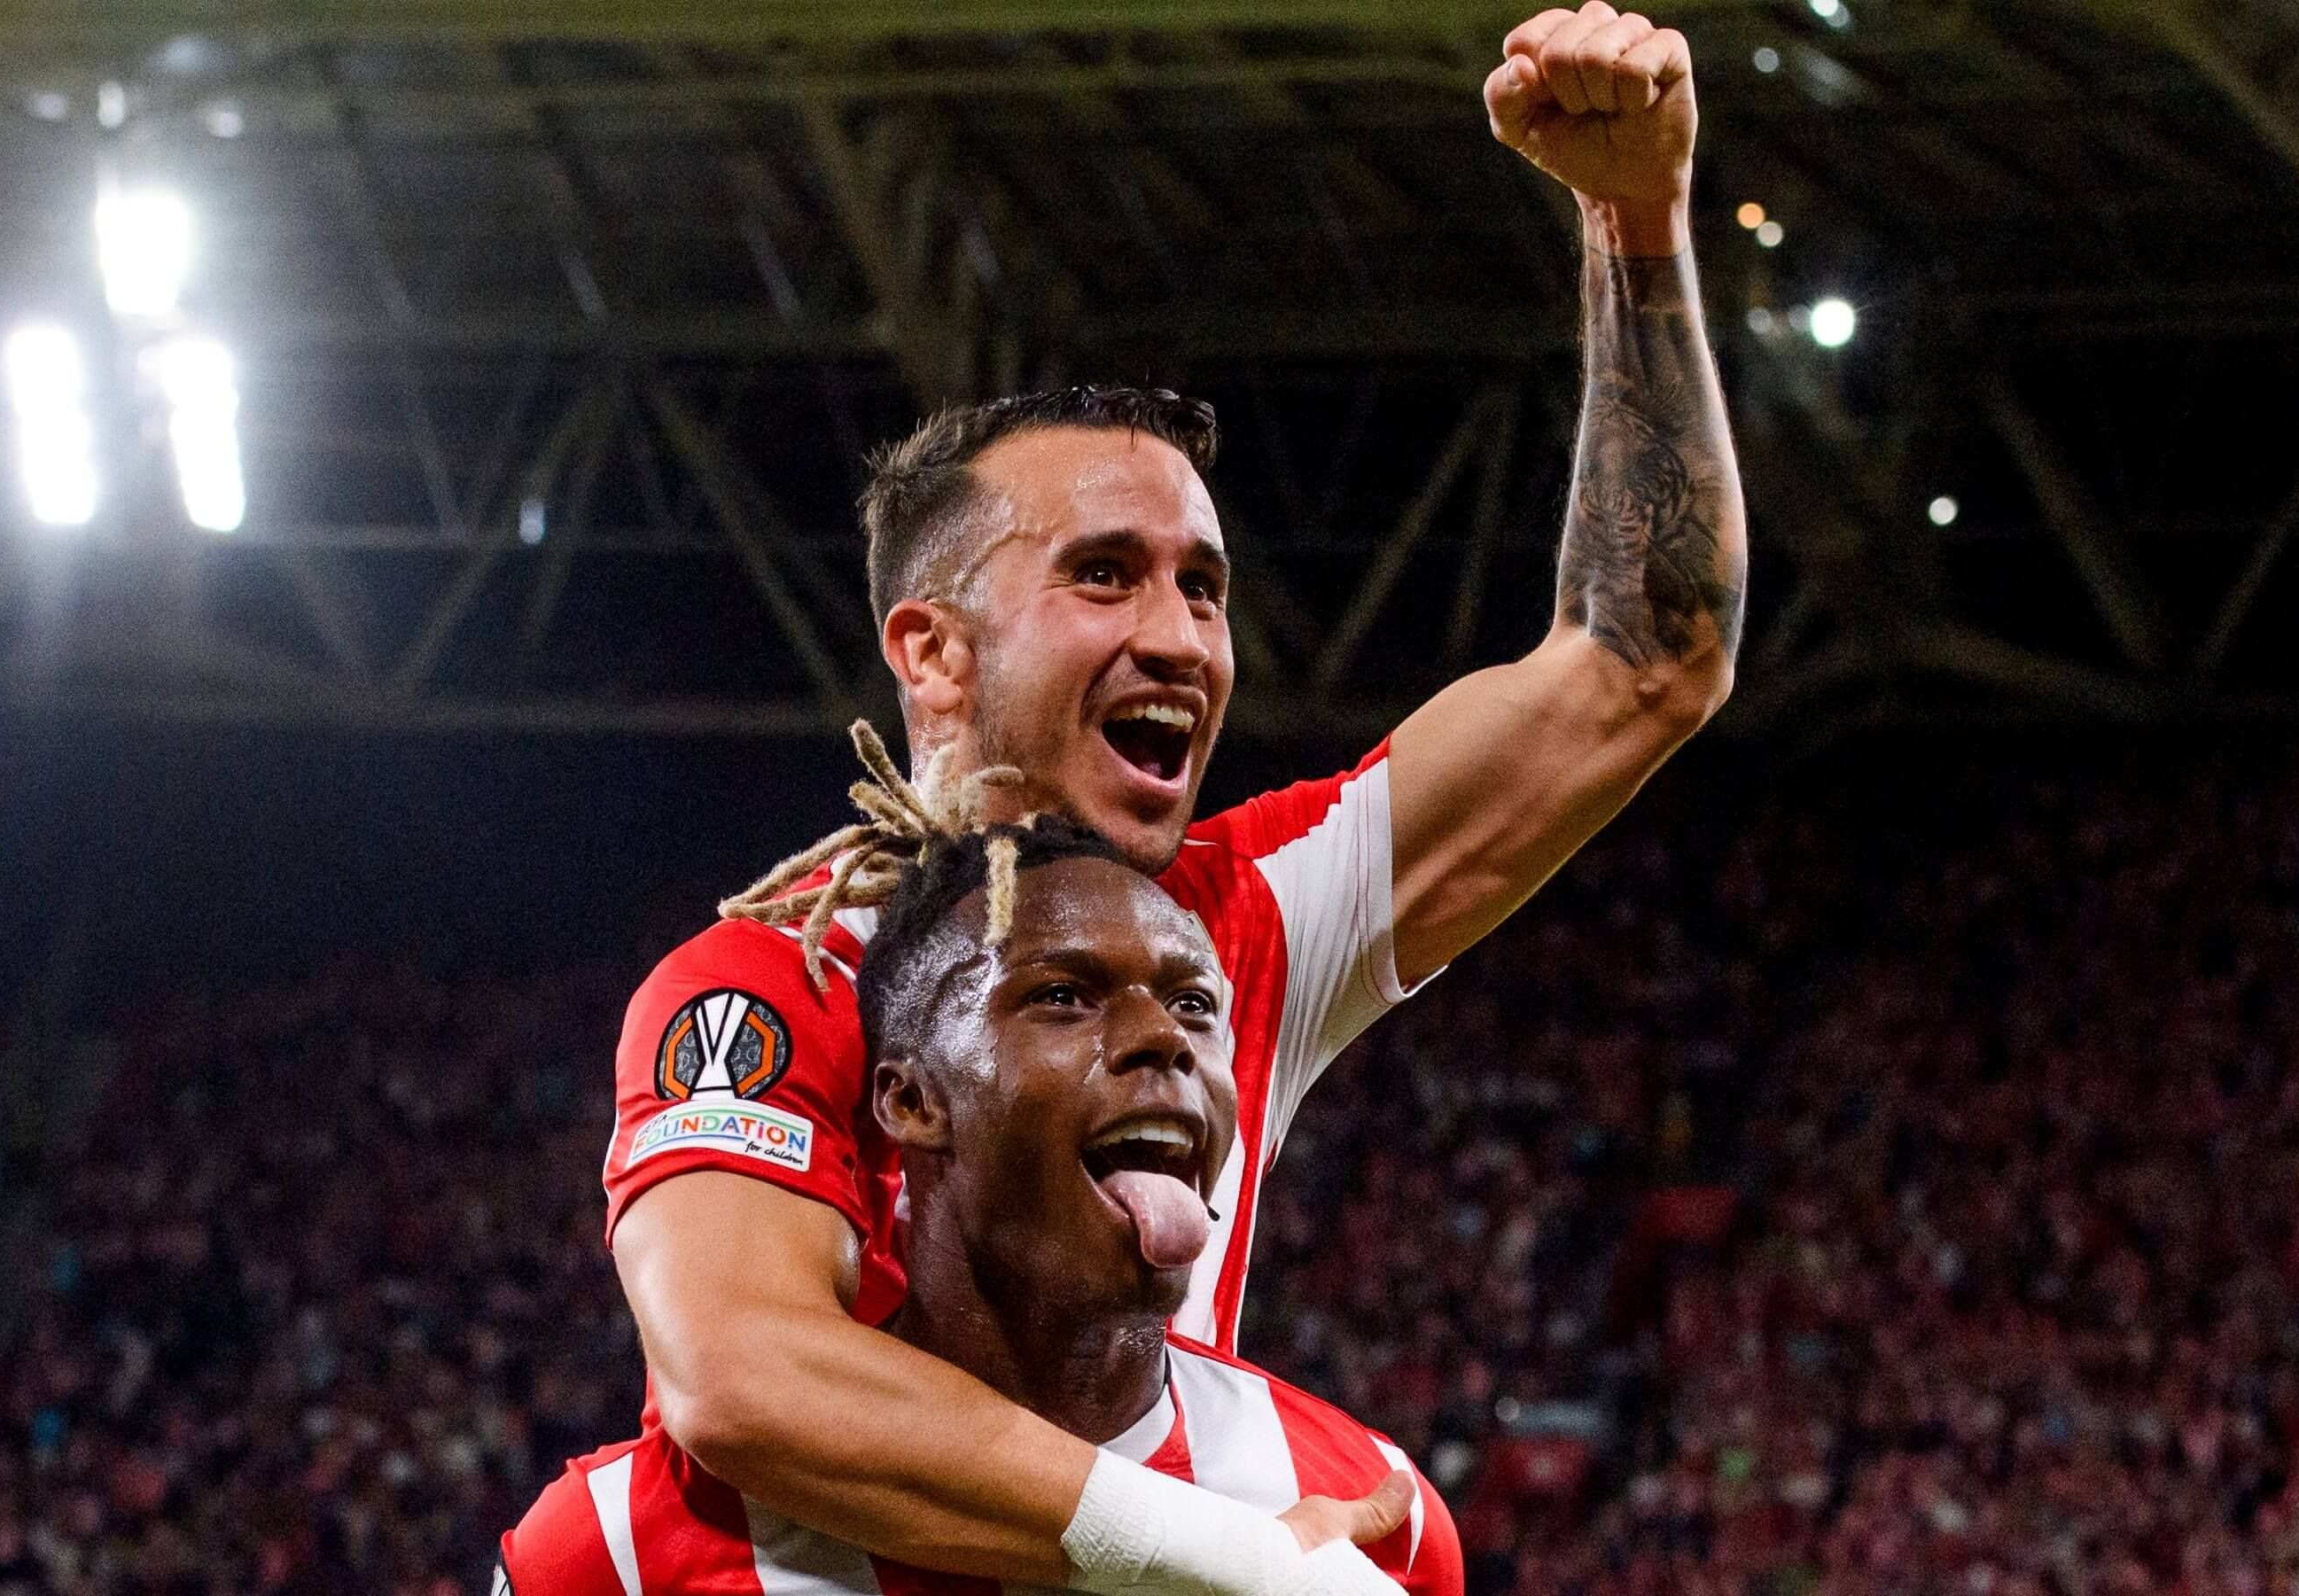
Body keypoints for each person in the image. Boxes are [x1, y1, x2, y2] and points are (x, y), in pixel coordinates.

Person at [606, 8, 1744, 1596]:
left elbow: (1644, 663)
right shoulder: (777, 978)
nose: (1179, 635)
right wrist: (1229, 1560)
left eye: (1204, 587)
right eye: (1103, 573)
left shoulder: (1245, 911)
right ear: (928, 654)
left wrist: (1636, 223)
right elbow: (745, 1379)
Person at [512, 814, 1463, 1596]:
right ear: (911, 1102)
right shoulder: (620, 1552)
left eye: (1193, 1005)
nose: (1158, 1039)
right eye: (1062, 995)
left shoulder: (1373, 1518)